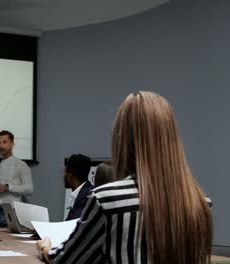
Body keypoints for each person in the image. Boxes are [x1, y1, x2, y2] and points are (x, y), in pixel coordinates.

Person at [37, 91, 213, 264]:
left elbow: (66, 259)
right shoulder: (201, 203)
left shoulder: (106, 200)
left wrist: (46, 247)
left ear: (122, 139)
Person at [64, 154, 94, 221]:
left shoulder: (87, 197)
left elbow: (73, 227)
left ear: (70, 174)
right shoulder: (85, 193)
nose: (64, 176)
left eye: (65, 172)